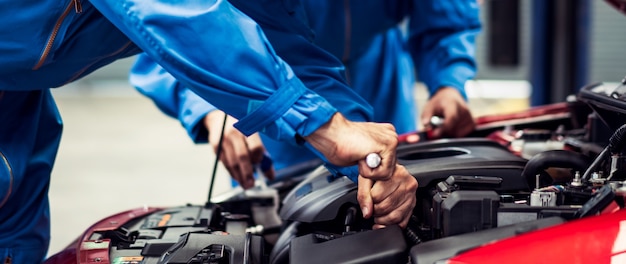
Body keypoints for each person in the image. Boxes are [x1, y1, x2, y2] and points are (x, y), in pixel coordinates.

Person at [0, 0, 416, 262]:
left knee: (14, 244)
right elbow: (173, 11)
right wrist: (323, 125)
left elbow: (294, 53)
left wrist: (367, 162)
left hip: (17, 91)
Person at [132, 0, 480, 187]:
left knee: (390, 194)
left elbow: (445, 15)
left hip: (381, 90)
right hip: (270, 102)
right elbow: (169, 34)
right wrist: (213, 105)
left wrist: (448, 82)